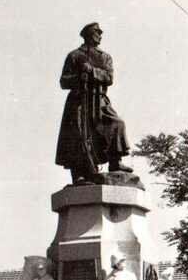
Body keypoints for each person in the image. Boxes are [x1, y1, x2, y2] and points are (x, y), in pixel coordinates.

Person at [55, 22, 132, 183]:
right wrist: (78, 78)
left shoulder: (105, 57)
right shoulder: (74, 55)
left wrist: (92, 71)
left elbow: (109, 78)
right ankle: (79, 175)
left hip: (99, 101)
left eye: (100, 33)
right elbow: (63, 81)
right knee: (78, 135)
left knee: (117, 124)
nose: (100, 35)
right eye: (97, 32)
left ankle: (115, 162)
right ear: (89, 34)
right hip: (79, 101)